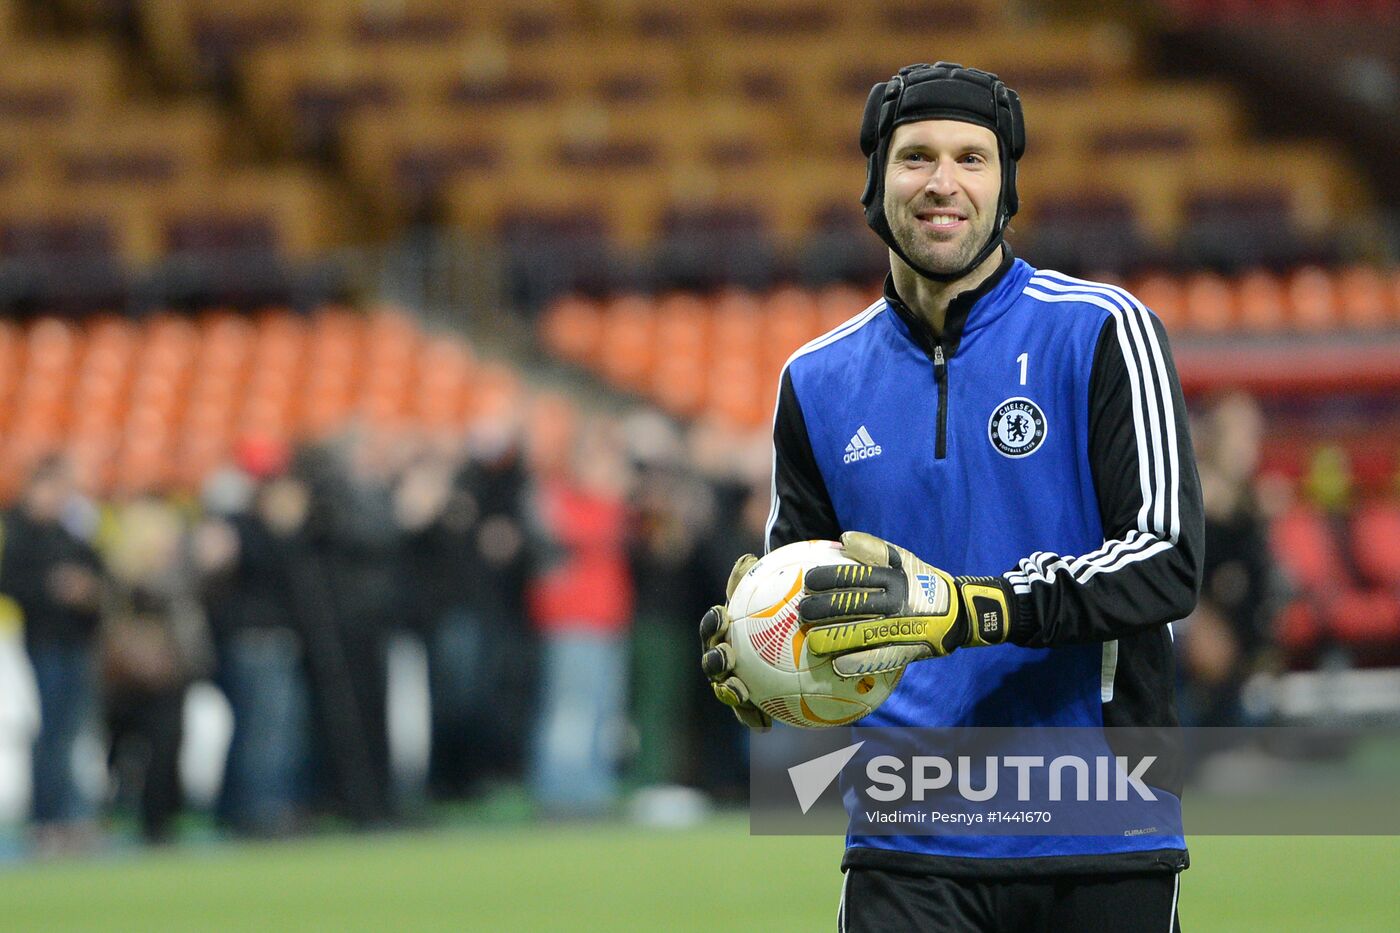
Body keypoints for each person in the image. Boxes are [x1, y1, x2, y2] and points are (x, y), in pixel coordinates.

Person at [699, 63, 1203, 931]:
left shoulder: (1105, 330)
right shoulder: (815, 380)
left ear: (1007, 186)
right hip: (908, 839)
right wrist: (768, 666)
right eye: (916, 157)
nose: (943, 182)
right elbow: (804, 591)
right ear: (874, 183)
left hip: (1098, 827)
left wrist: (973, 609)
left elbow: (1166, 559)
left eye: (973, 158)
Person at [0, 455, 104, 853]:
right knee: (52, 734)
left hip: (76, 642)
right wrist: (52, 588)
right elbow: (10, 583)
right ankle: (47, 820)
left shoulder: (70, 532)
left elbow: (100, 576)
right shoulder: (21, 532)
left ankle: (71, 816)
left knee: (72, 733)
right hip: (45, 641)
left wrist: (86, 589)